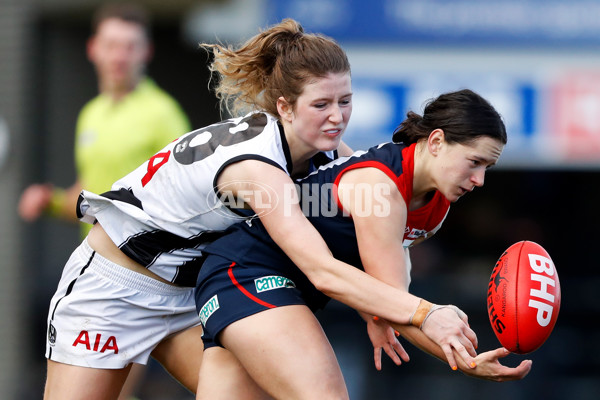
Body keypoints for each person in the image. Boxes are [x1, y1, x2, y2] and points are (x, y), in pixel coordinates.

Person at [42, 18, 478, 400]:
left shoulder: (328, 151)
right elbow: (321, 271)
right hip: (115, 288)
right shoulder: (257, 168)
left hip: (190, 294)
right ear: (285, 108)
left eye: (345, 101)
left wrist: (385, 312)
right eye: (321, 104)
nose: (336, 117)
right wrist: (422, 312)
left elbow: (370, 242)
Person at [193, 89, 533, 399]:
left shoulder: (434, 203)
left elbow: (393, 299)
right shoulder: (381, 189)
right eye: (474, 162)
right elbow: (400, 306)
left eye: (488, 167)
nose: (480, 180)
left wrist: (383, 315)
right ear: (436, 141)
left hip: (246, 285)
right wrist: (465, 357)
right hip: (245, 276)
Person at [18, 3, 191, 399]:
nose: (120, 56)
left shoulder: (163, 115)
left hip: (145, 282)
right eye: (112, 45)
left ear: (145, 52)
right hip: (98, 278)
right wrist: (48, 201)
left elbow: (184, 197)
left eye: (130, 46)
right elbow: (90, 199)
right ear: (94, 48)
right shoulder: (91, 115)